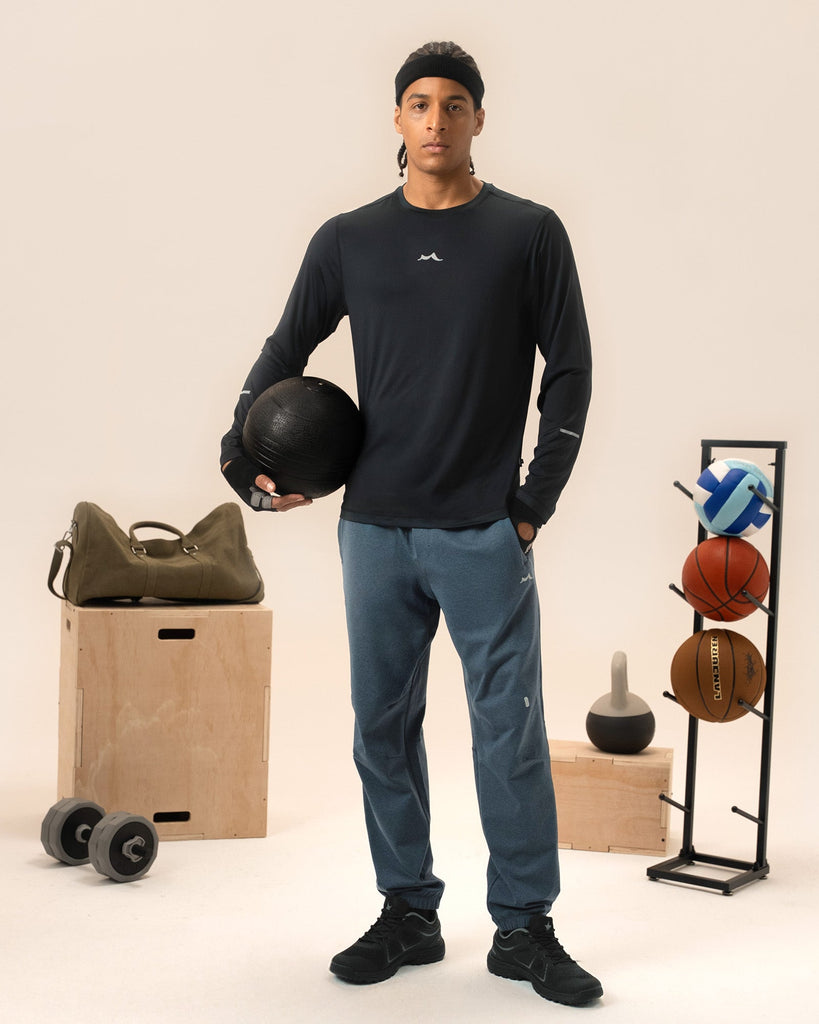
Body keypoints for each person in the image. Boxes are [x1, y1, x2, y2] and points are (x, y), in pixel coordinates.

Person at [221, 40, 602, 1007]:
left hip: (482, 531)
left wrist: (531, 506)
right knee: (380, 732)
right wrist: (241, 457)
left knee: (506, 735)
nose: (436, 120)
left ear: (479, 120)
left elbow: (569, 372)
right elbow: (280, 351)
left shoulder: (528, 232)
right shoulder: (348, 238)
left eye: (455, 104)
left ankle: (523, 928)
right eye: (419, 104)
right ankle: (409, 912)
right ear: (396, 121)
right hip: (375, 532)